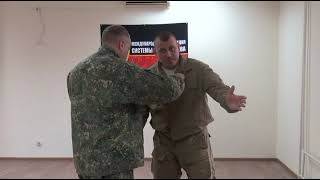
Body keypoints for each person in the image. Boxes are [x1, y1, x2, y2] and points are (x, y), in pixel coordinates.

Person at [67, 25, 185, 179]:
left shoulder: (76, 72)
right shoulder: (119, 69)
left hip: (84, 162)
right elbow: (166, 90)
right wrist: (179, 78)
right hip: (112, 164)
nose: (127, 54)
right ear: (122, 44)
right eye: (128, 49)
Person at [148, 31, 247, 179]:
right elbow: (140, 109)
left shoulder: (197, 69)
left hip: (194, 141)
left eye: (172, 48)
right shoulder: (149, 77)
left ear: (179, 47)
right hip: (164, 143)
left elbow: (217, 87)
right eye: (162, 50)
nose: (168, 54)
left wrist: (226, 100)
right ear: (154, 52)